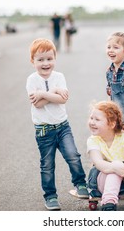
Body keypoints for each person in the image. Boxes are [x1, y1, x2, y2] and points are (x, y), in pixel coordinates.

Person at [26, 38, 89, 210]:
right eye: (40, 60)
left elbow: (63, 99)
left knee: (73, 155)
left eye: (49, 59)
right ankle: (50, 196)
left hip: (62, 127)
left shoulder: (59, 77)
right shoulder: (32, 80)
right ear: (33, 61)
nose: (45, 63)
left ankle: (81, 184)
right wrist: (52, 92)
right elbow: (37, 104)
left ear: (55, 58)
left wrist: (44, 94)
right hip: (44, 130)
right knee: (47, 165)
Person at [87, 32, 124, 200]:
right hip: (116, 121)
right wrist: (106, 116)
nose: (111, 50)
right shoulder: (110, 70)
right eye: (108, 47)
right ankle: (116, 188)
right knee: (116, 154)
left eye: (115, 47)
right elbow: (111, 96)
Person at [87, 101, 124, 211]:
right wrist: (115, 167)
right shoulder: (93, 140)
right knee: (116, 165)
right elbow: (98, 163)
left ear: (111, 124)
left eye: (97, 119)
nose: (92, 122)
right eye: (91, 118)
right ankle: (108, 204)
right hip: (102, 184)